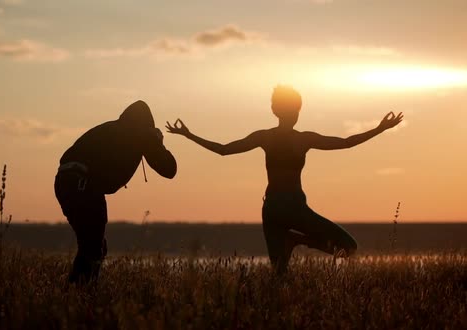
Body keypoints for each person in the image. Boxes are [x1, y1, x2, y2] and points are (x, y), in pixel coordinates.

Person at [166, 85, 403, 273]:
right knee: (349, 247)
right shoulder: (302, 139)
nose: (295, 114)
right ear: (282, 111)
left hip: (271, 209)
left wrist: (187, 135)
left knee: (280, 278)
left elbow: (222, 149)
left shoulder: (266, 137)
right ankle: (298, 240)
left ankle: (292, 241)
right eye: (294, 109)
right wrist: (380, 128)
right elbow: (345, 143)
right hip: (293, 208)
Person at [55, 100, 177, 284]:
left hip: (64, 182)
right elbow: (169, 169)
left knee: (93, 246)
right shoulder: (141, 134)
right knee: (93, 248)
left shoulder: (112, 128)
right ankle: (79, 294)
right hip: (83, 184)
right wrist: (158, 142)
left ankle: (76, 294)